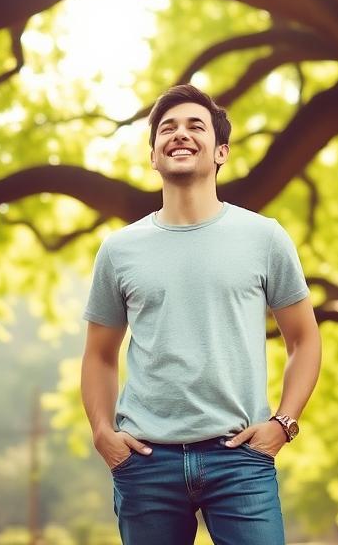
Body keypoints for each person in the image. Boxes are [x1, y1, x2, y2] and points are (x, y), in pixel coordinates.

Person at [80, 84, 322, 545]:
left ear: (220, 152)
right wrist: (102, 434)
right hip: (146, 463)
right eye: (167, 128)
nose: (180, 134)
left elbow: (304, 340)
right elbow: (99, 355)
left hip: (241, 461)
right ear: (153, 155)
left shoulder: (264, 237)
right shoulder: (119, 250)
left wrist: (283, 423)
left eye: (196, 126)